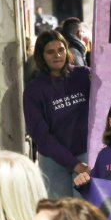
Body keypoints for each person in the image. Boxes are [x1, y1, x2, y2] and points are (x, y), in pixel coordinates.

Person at [23, 30, 91, 198]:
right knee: (60, 211)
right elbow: (41, 136)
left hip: (84, 154)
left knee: (84, 210)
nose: (57, 55)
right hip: (53, 160)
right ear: (41, 56)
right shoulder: (34, 90)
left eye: (61, 50)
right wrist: (74, 164)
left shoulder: (84, 76)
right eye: (50, 52)